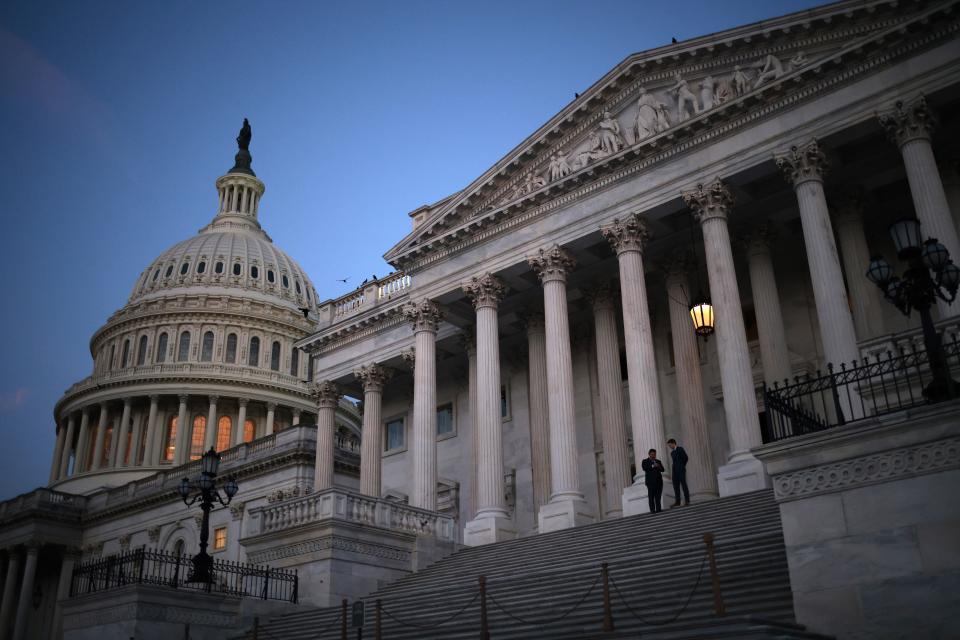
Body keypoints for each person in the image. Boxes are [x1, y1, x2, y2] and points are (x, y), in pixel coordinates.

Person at [640, 449, 665, 513]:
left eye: (654, 454)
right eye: (652, 454)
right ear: (649, 454)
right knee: (651, 497)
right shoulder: (645, 461)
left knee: (658, 497)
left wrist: (658, 466)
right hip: (650, 482)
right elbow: (644, 468)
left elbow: (663, 470)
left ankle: (658, 509)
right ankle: (652, 510)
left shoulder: (658, 461)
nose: (653, 456)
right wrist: (653, 466)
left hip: (659, 482)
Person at [667, 438, 690, 507]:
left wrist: (682, 466)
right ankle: (678, 501)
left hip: (681, 470)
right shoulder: (672, 453)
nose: (670, 447)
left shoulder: (680, 449)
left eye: (670, 445)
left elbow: (685, 458)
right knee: (675, 486)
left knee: (683, 485)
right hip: (675, 472)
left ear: (673, 443)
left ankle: (687, 500)